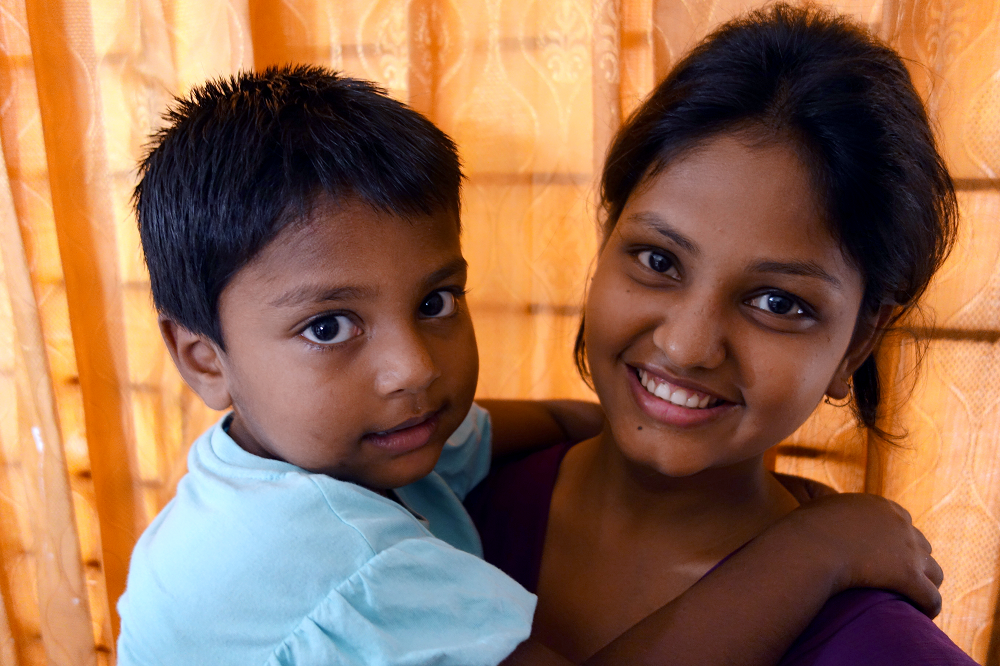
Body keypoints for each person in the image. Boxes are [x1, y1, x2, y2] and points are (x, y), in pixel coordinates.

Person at [117, 64, 944, 666]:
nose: (412, 368)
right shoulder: (337, 562)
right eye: (330, 326)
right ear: (202, 357)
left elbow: (542, 419)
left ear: (860, 343)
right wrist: (819, 548)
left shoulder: (369, 447)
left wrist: (638, 411)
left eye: (436, 302)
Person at [467, 5, 978, 665]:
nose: (685, 346)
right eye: (658, 260)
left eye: (777, 301)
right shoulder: (411, 509)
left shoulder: (884, 651)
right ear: (606, 240)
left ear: (859, 342)